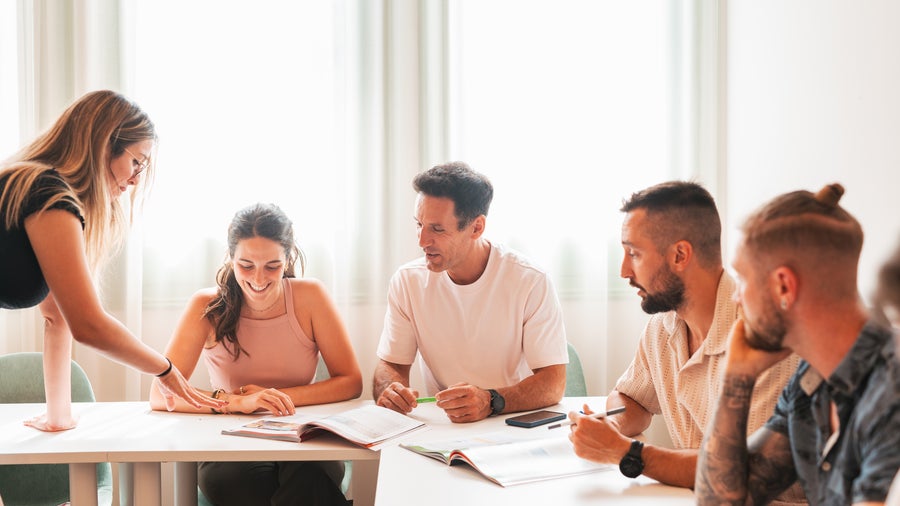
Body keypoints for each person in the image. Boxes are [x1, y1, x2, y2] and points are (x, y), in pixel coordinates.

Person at [0, 90, 223, 432]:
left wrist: (57, 416)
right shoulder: (47, 194)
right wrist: (164, 369)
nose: (134, 180)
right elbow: (88, 325)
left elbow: (56, 317)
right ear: (105, 144)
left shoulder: (35, 186)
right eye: (136, 161)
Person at [568, 181, 801, 497]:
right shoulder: (663, 325)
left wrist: (625, 452)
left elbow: (736, 472)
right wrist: (612, 423)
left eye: (634, 254)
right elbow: (634, 397)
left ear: (680, 255)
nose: (623, 271)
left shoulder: (766, 340)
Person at [695, 184, 900, 505]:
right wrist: (737, 379)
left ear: (783, 287)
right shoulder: (810, 383)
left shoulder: (890, 389)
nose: (737, 297)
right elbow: (721, 500)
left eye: (743, 279)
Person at [149, 202, 362, 506]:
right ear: (231, 258)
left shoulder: (310, 296)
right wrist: (238, 402)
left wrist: (274, 397)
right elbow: (160, 394)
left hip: (301, 440)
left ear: (288, 258)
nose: (259, 280)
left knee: (310, 477)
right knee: (257, 489)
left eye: (272, 266)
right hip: (230, 447)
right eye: (246, 265)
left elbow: (351, 381)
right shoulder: (205, 306)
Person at [373, 161, 568, 423]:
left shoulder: (530, 280)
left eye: (437, 229)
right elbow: (392, 365)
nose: (421, 240)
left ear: (476, 227)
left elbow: (553, 383)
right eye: (419, 224)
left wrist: (490, 401)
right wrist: (390, 389)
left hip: (510, 421)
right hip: (446, 425)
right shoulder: (407, 281)